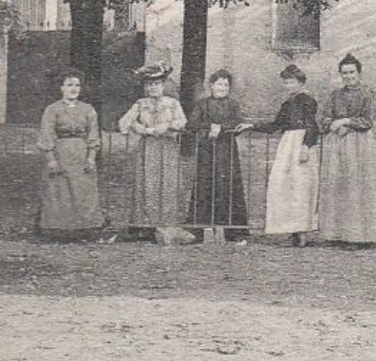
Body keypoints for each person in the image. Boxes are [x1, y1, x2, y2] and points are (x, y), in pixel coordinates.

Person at [244, 64, 320, 245]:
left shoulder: (307, 101)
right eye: (285, 82)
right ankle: (291, 229)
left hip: (301, 143)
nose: (288, 86)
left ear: (300, 82)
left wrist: (306, 146)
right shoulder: (287, 103)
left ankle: (302, 232)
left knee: (301, 187)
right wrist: (251, 126)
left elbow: (312, 125)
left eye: (292, 82)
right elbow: (276, 125)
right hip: (287, 145)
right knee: (283, 185)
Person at [118, 63, 189, 242]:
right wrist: (138, 126)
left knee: (169, 182)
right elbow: (123, 123)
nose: (152, 88)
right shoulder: (140, 104)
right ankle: (146, 225)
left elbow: (182, 122)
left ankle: (168, 223)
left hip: (168, 148)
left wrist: (166, 126)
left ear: (163, 85)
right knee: (148, 183)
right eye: (149, 84)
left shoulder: (172, 103)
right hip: (148, 149)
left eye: (156, 84)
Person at [319, 54, 376, 247]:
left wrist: (346, 121)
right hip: (337, 144)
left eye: (352, 72)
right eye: (344, 73)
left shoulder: (367, 93)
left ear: (359, 73)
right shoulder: (335, 95)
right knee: (337, 185)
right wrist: (333, 125)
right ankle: (336, 234)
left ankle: (360, 236)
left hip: (359, 144)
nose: (348, 76)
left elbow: (368, 120)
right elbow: (324, 118)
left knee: (358, 186)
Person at [37, 70, 106, 240]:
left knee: (83, 189)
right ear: (61, 88)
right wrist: (51, 158)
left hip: (81, 153)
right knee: (59, 190)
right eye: (69, 85)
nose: (73, 89)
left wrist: (91, 157)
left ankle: (85, 228)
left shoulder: (88, 109)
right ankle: (58, 229)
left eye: (77, 85)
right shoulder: (52, 109)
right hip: (61, 152)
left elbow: (93, 134)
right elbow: (46, 134)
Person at [186, 69, 249, 242]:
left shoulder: (233, 104)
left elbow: (238, 122)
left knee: (228, 186)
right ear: (211, 85)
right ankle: (199, 229)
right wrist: (210, 126)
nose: (222, 87)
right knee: (205, 185)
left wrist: (220, 128)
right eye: (219, 84)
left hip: (227, 151)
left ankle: (233, 231)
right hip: (207, 150)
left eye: (226, 85)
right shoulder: (202, 104)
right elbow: (192, 123)